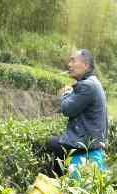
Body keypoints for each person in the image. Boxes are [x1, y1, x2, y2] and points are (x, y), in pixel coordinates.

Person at [46, 49, 108, 178]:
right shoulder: (91, 82)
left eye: (73, 60)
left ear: (85, 65)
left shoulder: (87, 86)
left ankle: (59, 181)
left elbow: (67, 109)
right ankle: (60, 177)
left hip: (85, 144)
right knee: (56, 143)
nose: (69, 65)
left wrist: (65, 93)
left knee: (51, 143)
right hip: (89, 140)